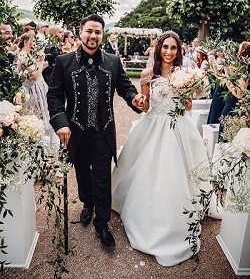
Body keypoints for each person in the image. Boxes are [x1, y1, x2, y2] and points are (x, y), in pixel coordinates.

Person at [112, 31, 214, 266]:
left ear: (179, 52)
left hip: (179, 127)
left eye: (173, 48)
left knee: (180, 172)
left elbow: (187, 107)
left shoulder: (185, 74)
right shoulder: (148, 74)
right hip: (154, 125)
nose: (169, 51)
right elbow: (145, 107)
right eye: (165, 47)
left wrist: (187, 88)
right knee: (148, 171)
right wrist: (139, 100)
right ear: (158, 49)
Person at [47, 14, 145, 248]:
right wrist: (60, 122)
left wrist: (134, 99)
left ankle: (102, 223)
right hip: (76, 130)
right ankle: (87, 203)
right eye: (89, 31)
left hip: (103, 129)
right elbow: (54, 96)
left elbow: (125, 87)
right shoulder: (64, 61)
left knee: (102, 176)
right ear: (81, 32)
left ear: (102, 34)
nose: (93, 36)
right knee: (81, 171)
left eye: (97, 32)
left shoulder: (112, 61)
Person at [17, 32, 58, 144]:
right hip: (33, 92)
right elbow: (34, 77)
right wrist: (40, 62)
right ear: (26, 42)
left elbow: (34, 73)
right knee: (39, 119)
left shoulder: (28, 55)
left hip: (39, 88)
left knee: (46, 117)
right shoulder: (23, 55)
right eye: (33, 41)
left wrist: (41, 66)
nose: (35, 44)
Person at [218, 41, 250, 140]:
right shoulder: (241, 69)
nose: (237, 53)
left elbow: (239, 93)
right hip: (232, 106)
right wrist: (227, 70)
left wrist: (225, 78)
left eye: (240, 50)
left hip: (234, 110)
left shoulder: (246, 71)